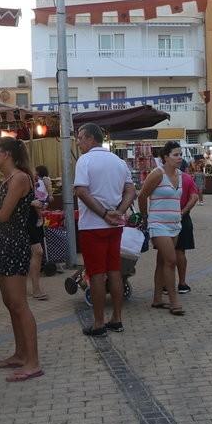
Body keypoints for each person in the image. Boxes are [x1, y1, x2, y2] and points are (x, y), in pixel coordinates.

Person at [0, 137, 43, 382]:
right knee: (10, 303)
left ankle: (33, 361)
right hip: (2, 244)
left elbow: (2, 215)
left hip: (13, 244)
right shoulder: (8, 180)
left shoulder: (19, 178)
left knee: (19, 304)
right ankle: (21, 353)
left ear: (7, 154)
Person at [73, 123, 135, 336]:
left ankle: (99, 323)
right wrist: (119, 211)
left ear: (90, 138)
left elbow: (81, 191)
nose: (79, 142)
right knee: (114, 272)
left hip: (92, 226)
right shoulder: (118, 161)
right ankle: (116, 319)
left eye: (80, 138)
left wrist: (104, 214)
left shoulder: (85, 160)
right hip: (114, 226)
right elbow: (130, 190)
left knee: (96, 274)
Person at [138, 141, 185, 316]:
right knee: (171, 260)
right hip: (158, 224)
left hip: (174, 224)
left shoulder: (180, 175)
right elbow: (142, 195)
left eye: (180, 154)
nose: (179, 158)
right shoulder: (157, 174)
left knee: (162, 261)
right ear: (165, 157)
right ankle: (174, 301)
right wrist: (145, 218)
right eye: (175, 154)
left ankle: (157, 299)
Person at [174, 169, 200, 294]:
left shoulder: (159, 175)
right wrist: (183, 211)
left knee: (164, 254)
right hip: (183, 218)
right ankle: (182, 283)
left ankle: (164, 284)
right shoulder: (187, 178)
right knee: (180, 251)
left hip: (164, 218)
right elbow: (194, 196)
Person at [27, 165, 50, 301]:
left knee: (37, 252)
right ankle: (35, 289)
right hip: (29, 220)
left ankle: (36, 288)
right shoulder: (21, 177)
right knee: (37, 251)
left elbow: (47, 199)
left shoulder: (33, 180)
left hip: (33, 219)